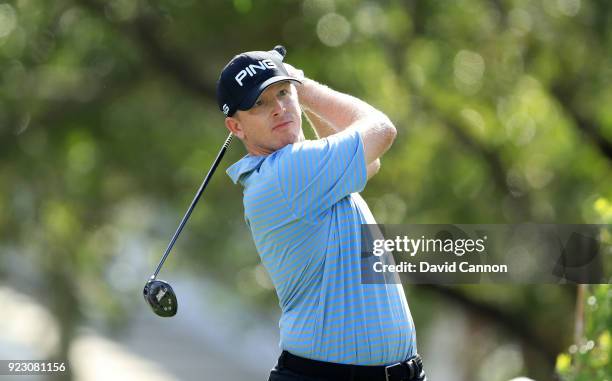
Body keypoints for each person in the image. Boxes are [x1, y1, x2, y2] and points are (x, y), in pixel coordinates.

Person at [216, 46, 426, 381]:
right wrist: (302, 84)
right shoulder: (285, 174)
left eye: (283, 93)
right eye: (259, 103)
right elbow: (382, 129)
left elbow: (369, 164)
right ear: (236, 127)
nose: (279, 108)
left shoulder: (308, 174)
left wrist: (296, 91)